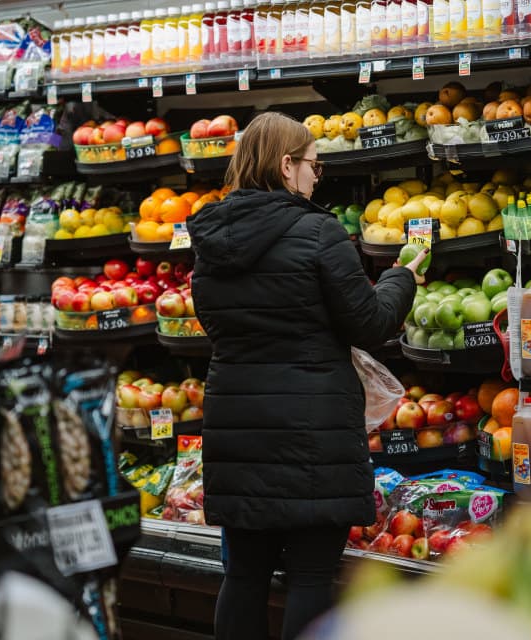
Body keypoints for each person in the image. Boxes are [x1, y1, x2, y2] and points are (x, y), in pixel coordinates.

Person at [187, 111, 426, 640]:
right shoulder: (319, 231)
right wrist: (401, 279)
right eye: (315, 167)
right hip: (313, 434)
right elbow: (370, 324)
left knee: (243, 575)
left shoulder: (209, 239)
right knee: (312, 577)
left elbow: (215, 324)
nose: (318, 178)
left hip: (238, 428)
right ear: (286, 165)